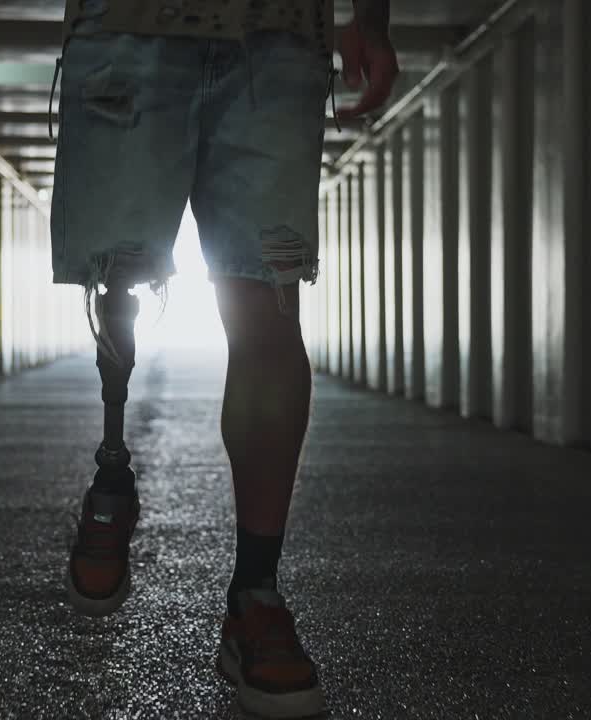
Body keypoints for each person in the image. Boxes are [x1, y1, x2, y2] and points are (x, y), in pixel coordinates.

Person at [51, 0, 397, 716]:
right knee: (120, 271)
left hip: (279, 37)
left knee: (269, 304)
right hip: (129, 27)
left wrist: (373, 18)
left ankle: (255, 596)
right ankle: (112, 466)